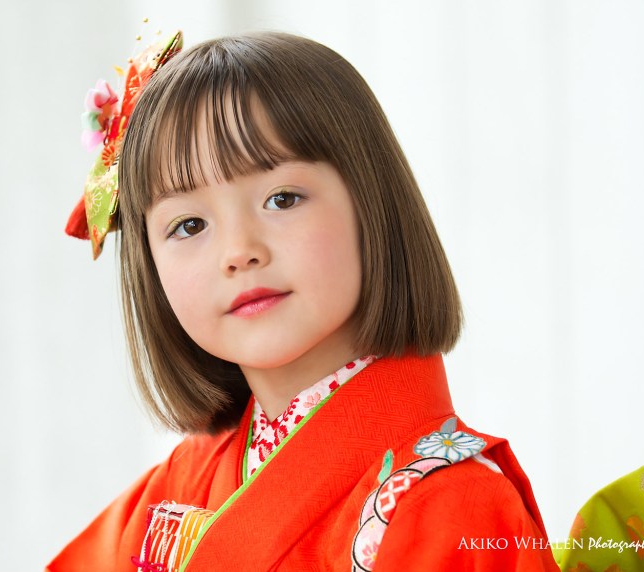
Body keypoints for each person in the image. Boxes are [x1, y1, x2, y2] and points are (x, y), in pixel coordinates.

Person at [51, 31, 559, 571]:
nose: (239, 251)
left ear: (372, 202)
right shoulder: (183, 482)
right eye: (190, 225)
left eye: (282, 198)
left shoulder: (451, 505)